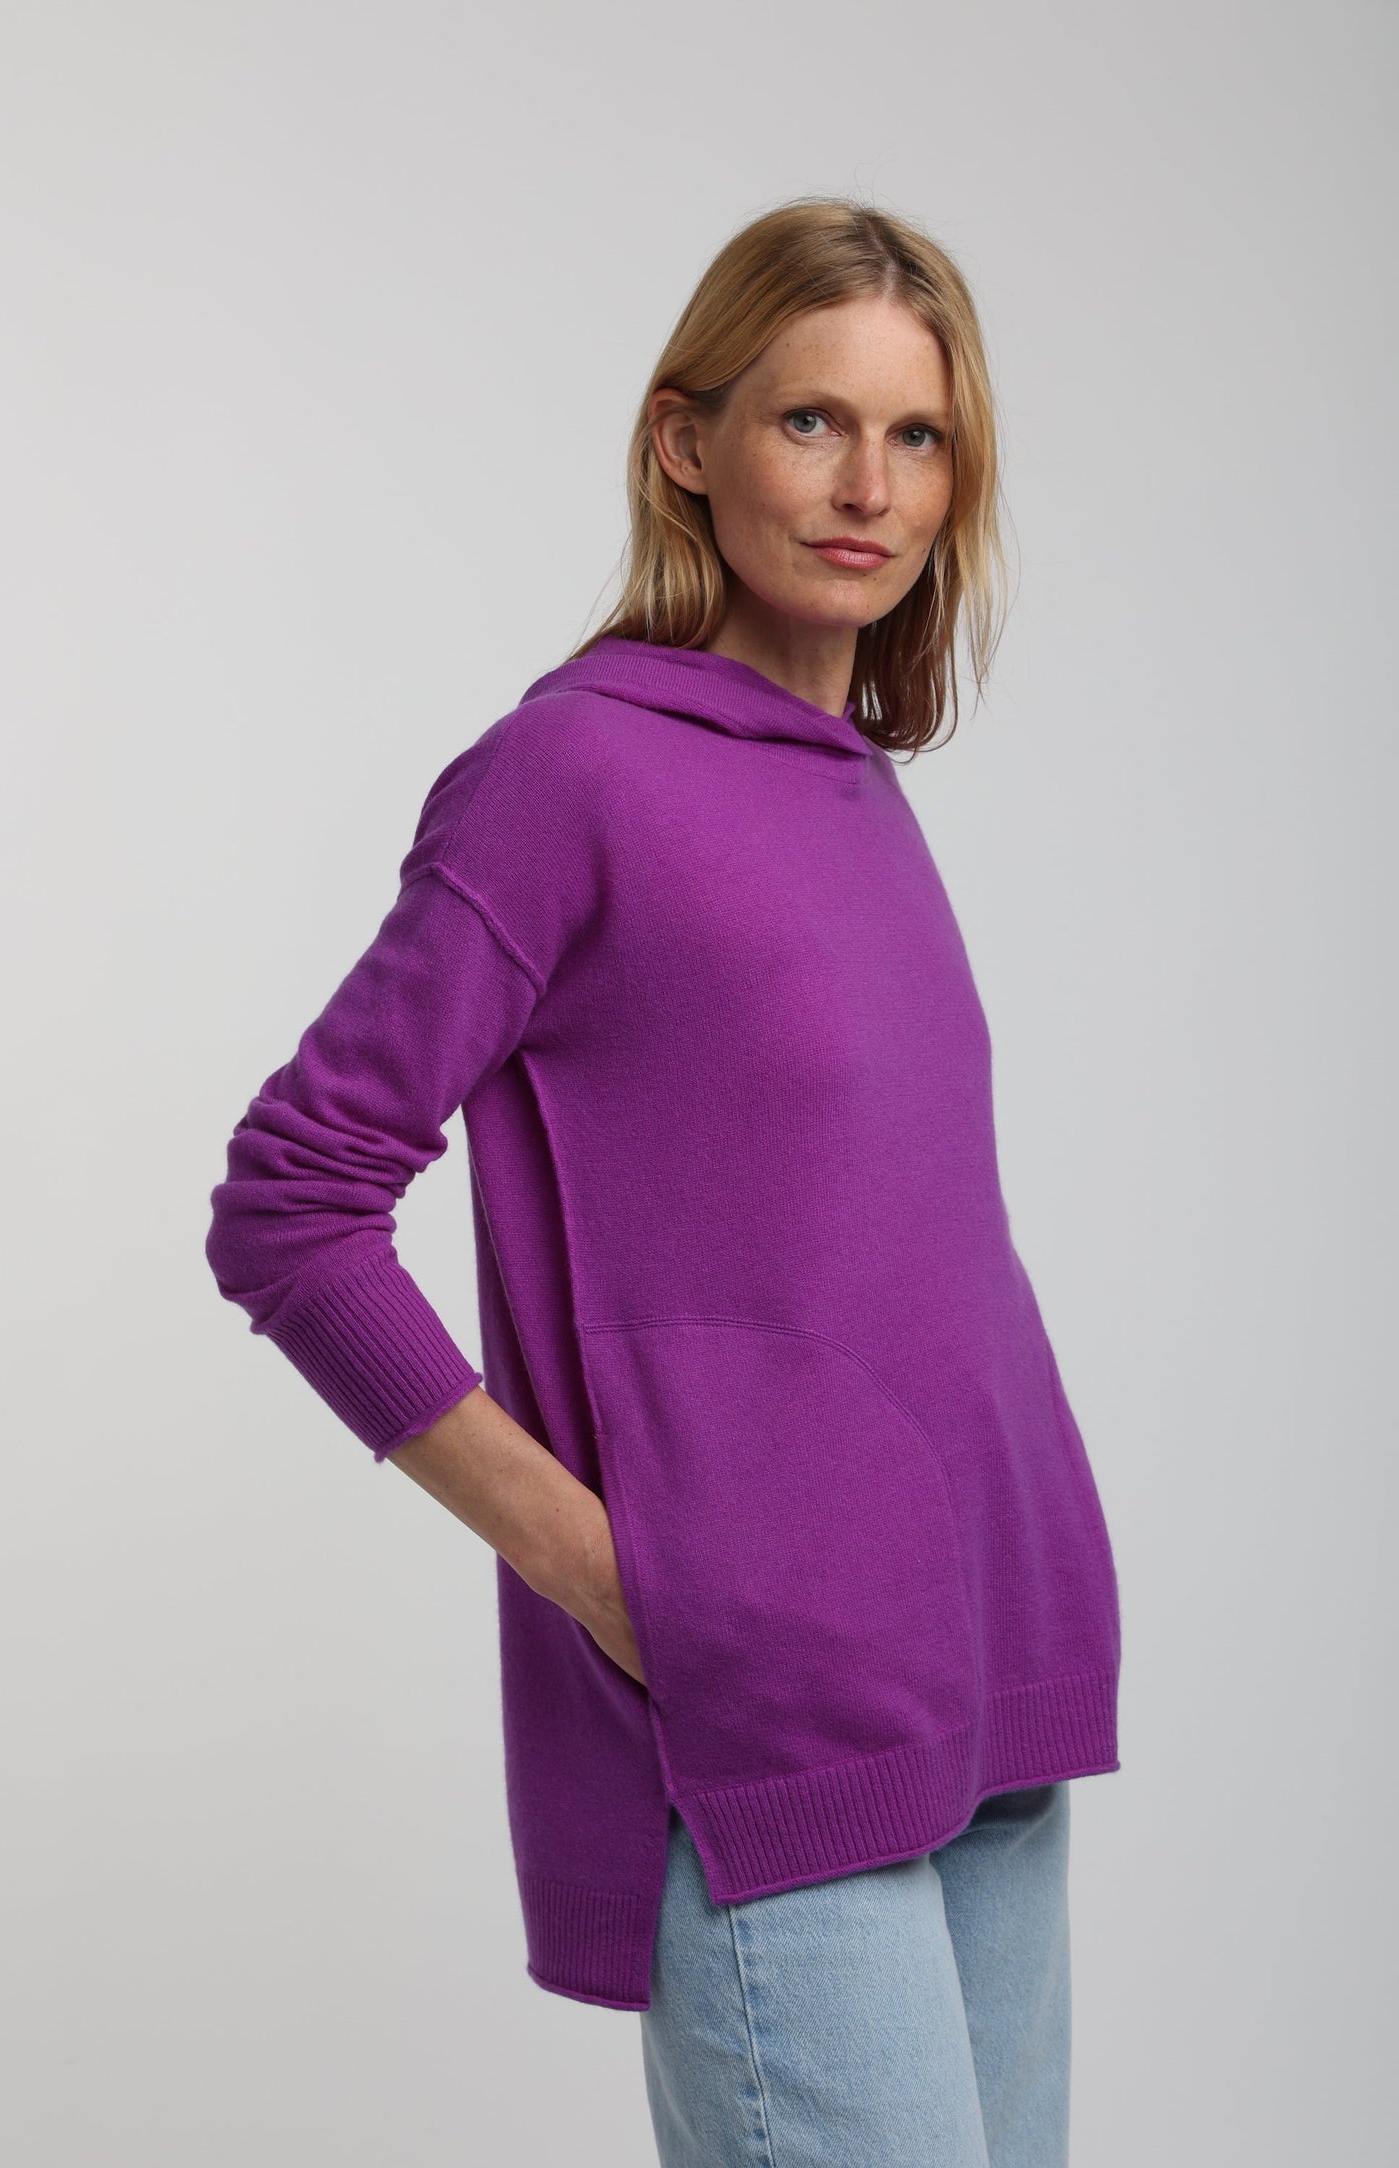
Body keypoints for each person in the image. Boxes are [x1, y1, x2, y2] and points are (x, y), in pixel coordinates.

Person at [206, 196, 1122, 2165]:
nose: (869, 489)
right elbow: (289, 1201)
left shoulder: (854, 783)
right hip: (765, 1715)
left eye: (919, 436)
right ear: (683, 442)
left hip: (991, 1666)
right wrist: (607, 1573)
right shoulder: (571, 777)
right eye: (811, 422)